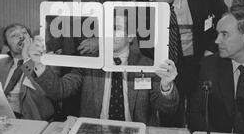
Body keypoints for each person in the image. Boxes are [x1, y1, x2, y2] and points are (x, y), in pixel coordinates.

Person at [28, 15, 180, 125]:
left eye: (116, 29)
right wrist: (38, 65)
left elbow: (169, 109)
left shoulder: (147, 65)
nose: (109, 34)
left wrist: (166, 87)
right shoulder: (89, 63)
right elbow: (59, 91)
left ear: (131, 36)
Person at [136, 0, 227, 127]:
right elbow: (145, 44)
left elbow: (223, 19)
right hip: (170, 65)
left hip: (201, 58)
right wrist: (163, 60)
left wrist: (211, 50)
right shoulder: (142, 2)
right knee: (170, 114)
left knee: (200, 111)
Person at [47, 0, 130, 118]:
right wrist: (57, 47)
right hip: (68, 60)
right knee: (69, 111)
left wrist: (100, 42)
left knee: (93, 110)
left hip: (98, 65)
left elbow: (126, 24)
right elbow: (52, 16)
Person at [0, 23, 55, 120]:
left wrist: (29, 57)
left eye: (24, 33)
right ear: (7, 46)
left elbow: (44, 94)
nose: (21, 37)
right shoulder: (0, 64)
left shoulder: (43, 64)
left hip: (29, 120)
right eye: (14, 35)